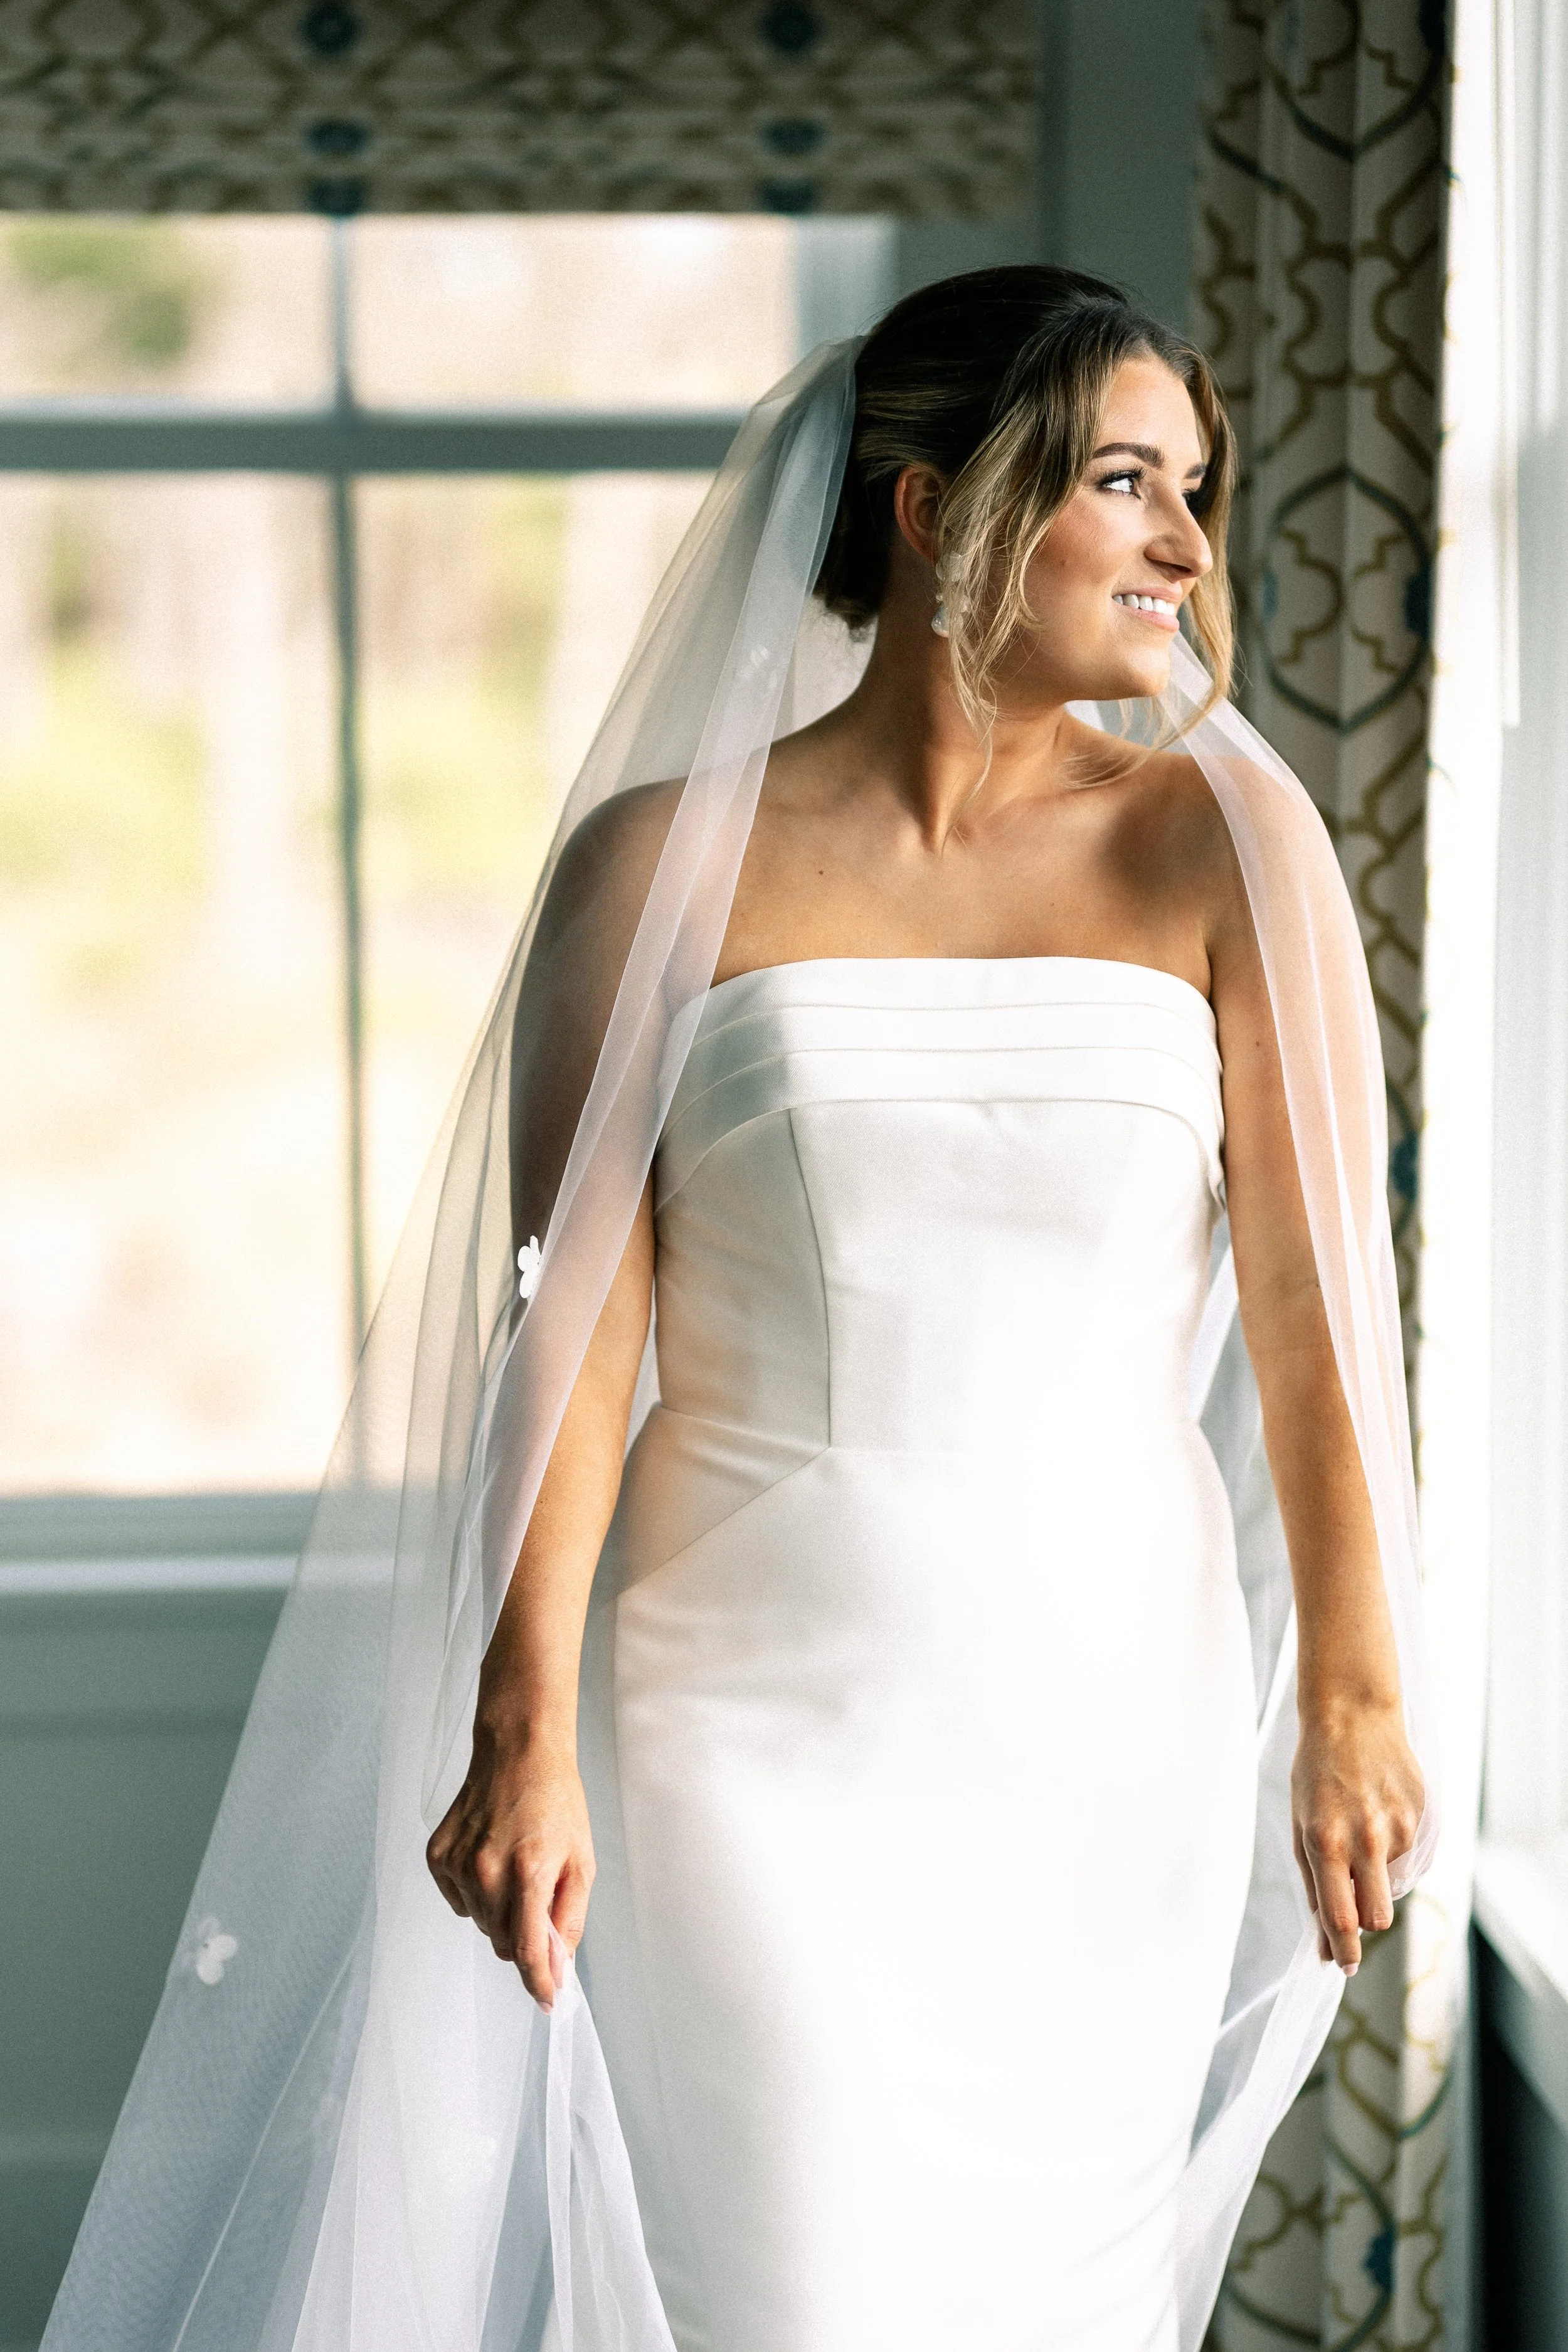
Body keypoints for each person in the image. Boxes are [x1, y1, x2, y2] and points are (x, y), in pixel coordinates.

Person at [41, 269, 1434, 2352]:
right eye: (1122, 479)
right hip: (740, 1725)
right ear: (925, 503)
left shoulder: (1225, 843)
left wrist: (1351, 1688)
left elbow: (1320, 1303)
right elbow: (576, 1326)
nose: (1180, 544)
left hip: (1106, 1727)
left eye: (1194, 491)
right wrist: (522, 1719)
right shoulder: (659, 862)